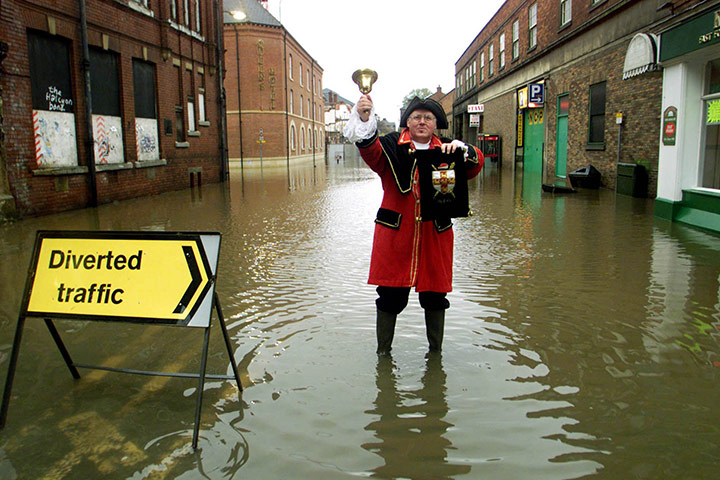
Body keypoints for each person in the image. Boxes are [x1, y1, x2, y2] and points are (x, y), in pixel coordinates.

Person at [344, 95, 484, 355]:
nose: (422, 122)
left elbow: (475, 167)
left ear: (436, 124)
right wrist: (365, 118)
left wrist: (464, 149)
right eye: (416, 117)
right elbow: (370, 151)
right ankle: (383, 355)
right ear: (407, 121)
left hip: (435, 234)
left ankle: (435, 355)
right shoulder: (389, 145)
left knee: (435, 297)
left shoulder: (447, 147)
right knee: (390, 297)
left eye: (428, 118)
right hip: (396, 234)